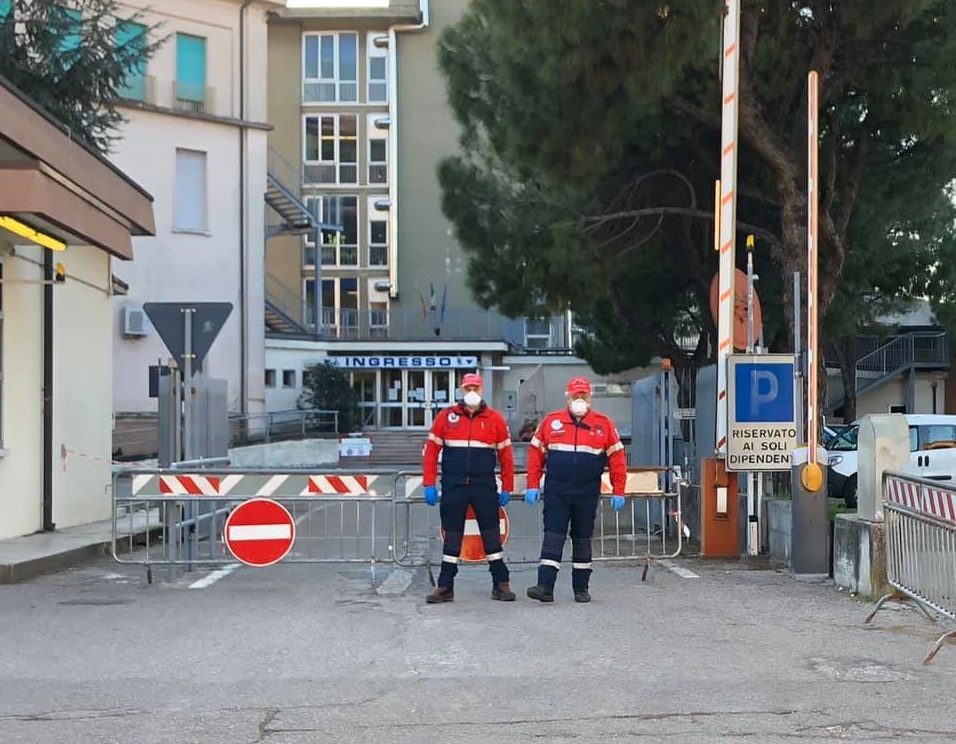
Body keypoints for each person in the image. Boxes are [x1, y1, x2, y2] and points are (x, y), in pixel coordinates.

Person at [524, 376, 627, 603]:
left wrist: (619, 489)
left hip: (587, 492)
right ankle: (545, 587)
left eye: (583, 395)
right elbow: (535, 454)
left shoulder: (603, 424)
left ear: (589, 397)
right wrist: (532, 484)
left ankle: (581, 588)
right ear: (568, 397)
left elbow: (618, 458)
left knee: (582, 539)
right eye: (575, 395)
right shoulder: (552, 422)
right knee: (553, 536)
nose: (579, 399)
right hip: (557, 492)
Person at [422, 372, 516, 604]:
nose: (471, 393)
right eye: (467, 389)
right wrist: (428, 483)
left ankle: (501, 584)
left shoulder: (495, 419)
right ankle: (445, 586)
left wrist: (508, 486)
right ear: (461, 391)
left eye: (475, 388)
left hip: (484, 486)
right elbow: (431, 452)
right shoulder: (446, 417)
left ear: (481, 390)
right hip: (454, 486)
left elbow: (506, 457)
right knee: (452, 537)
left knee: (491, 536)